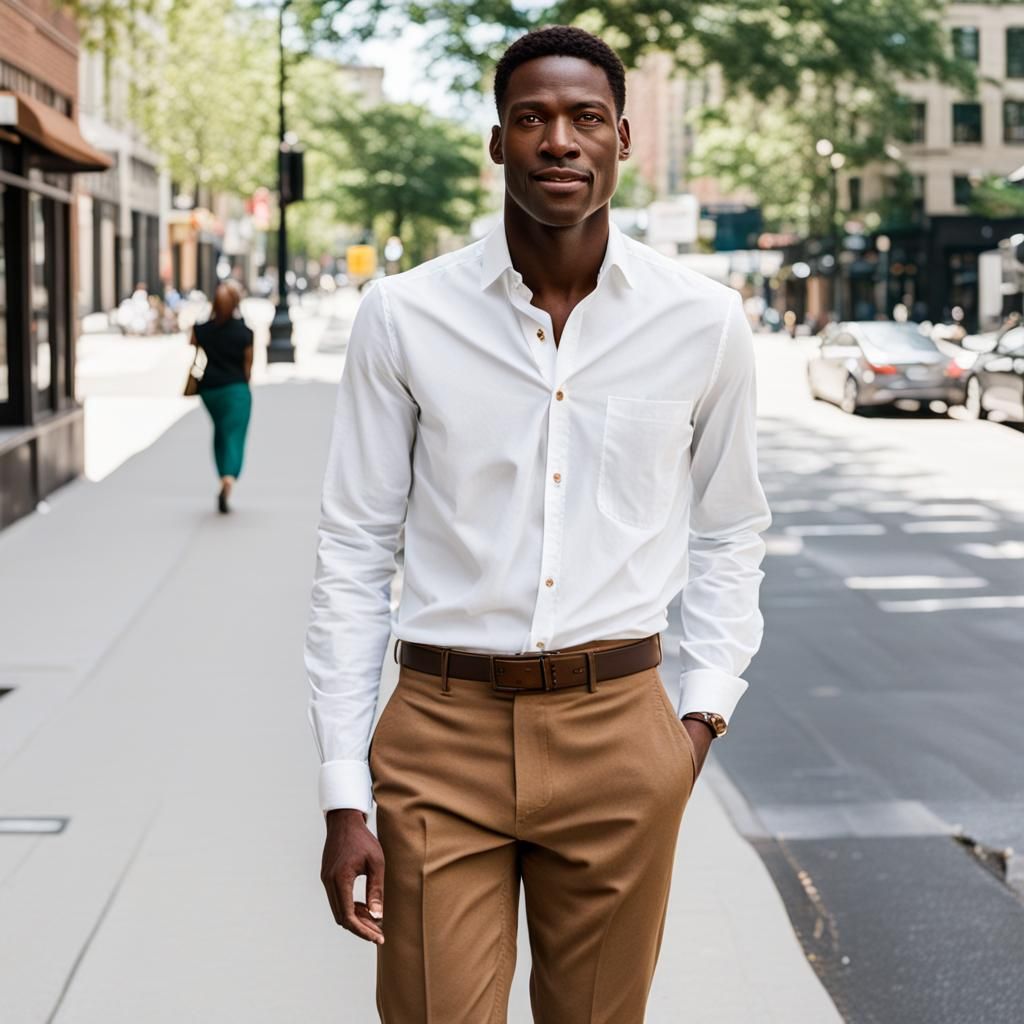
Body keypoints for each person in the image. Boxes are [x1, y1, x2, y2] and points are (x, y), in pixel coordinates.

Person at [305, 25, 771, 1023]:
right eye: (532, 118)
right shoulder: (404, 316)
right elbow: (353, 550)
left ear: (621, 139)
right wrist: (345, 788)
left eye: (584, 118)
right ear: (496, 142)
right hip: (442, 730)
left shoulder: (702, 320)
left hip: (620, 729)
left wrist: (695, 720)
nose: (559, 139)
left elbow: (730, 529)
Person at [190, 282, 254, 514]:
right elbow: (248, 368)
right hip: (236, 390)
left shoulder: (203, 330)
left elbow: (193, 342)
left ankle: (221, 475)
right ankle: (228, 477)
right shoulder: (244, 333)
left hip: (210, 391)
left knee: (220, 431)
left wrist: (207, 317)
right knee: (234, 435)